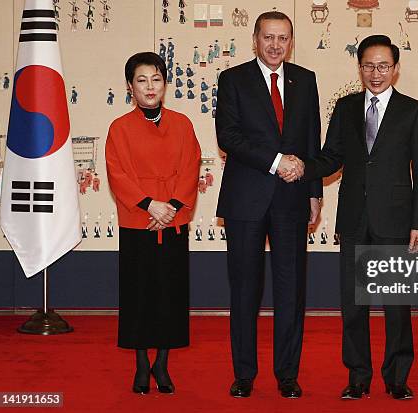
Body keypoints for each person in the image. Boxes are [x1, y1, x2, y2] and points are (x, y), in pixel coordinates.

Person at [282, 35, 418, 400]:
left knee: (397, 307)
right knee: (354, 306)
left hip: (396, 222)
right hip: (353, 219)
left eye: (383, 66)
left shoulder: (413, 110)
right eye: (368, 65)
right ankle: (358, 376)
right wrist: (303, 167)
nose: (375, 73)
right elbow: (331, 156)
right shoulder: (346, 108)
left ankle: (397, 377)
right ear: (359, 67)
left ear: (395, 69)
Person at [215, 11, 323, 399]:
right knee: (244, 289)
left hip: (293, 200)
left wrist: (314, 192)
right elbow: (228, 136)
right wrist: (277, 162)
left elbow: (312, 139)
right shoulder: (233, 79)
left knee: (291, 290)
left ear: (290, 41)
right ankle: (244, 374)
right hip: (246, 198)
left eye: (283, 38)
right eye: (268, 38)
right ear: (255, 39)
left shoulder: (306, 80)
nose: (275, 45)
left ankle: (287, 374)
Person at [105, 52, 201, 395]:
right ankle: (142, 364)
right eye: (141, 80)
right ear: (130, 86)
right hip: (138, 223)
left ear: (165, 84)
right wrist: (151, 206)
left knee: (170, 294)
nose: (150, 86)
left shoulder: (183, 124)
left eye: (156, 79)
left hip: (172, 222)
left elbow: (191, 167)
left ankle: (163, 362)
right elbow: (118, 174)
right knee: (138, 294)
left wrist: (171, 207)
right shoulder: (119, 128)